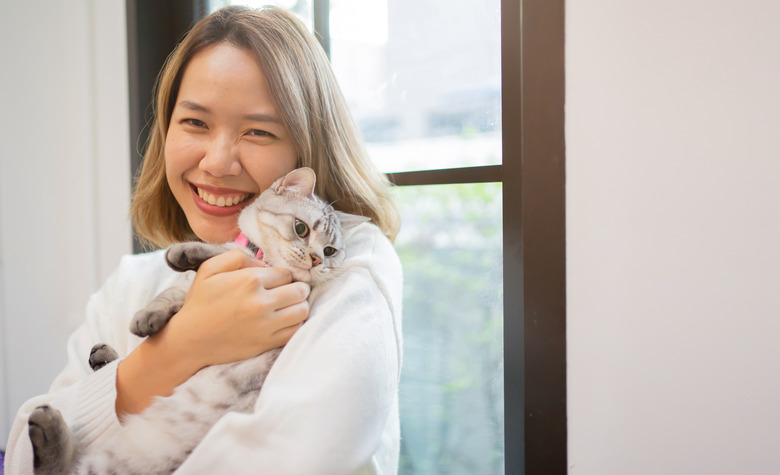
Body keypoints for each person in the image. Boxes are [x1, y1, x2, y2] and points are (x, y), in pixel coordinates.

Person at [4, 5, 402, 474]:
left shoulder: (347, 271)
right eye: (195, 122)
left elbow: (294, 459)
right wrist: (176, 350)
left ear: (306, 152)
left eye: (258, 131)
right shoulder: (131, 284)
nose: (217, 162)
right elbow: (24, 456)